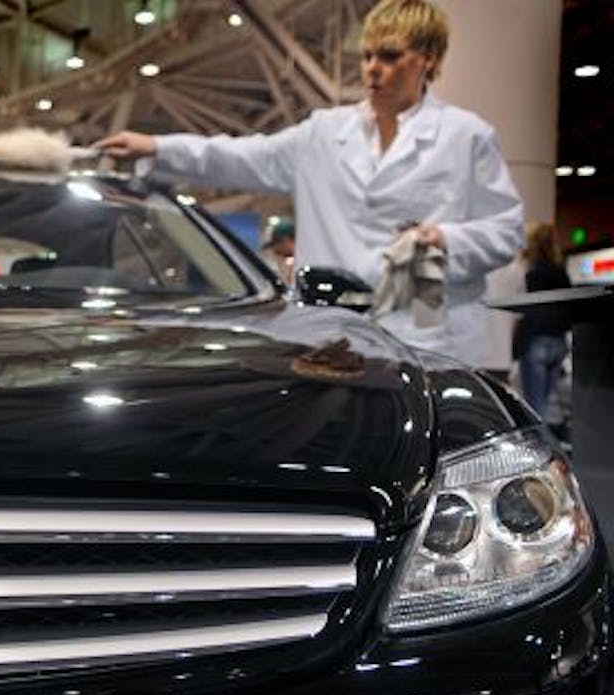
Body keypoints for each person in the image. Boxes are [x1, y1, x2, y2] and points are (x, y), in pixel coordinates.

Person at [94, 0, 523, 368]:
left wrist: (446, 239)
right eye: (367, 56)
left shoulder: (466, 136)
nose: (373, 69)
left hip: (430, 330)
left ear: (427, 58)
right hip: (332, 333)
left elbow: (506, 231)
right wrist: (157, 148)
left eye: (390, 56)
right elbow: (242, 156)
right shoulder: (324, 133)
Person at [513, 221, 571, 422]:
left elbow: (528, 311)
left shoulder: (532, 272)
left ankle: (539, 450)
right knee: (544, 406)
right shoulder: (561, 272)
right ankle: (548, 446)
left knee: (533, 408)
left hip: (536, 341)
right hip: (558, 343)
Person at [261, 218, 297, 286]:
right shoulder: (290, 261)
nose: (274, 250)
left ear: (285, 240)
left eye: (275, 244)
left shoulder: (301, 262)